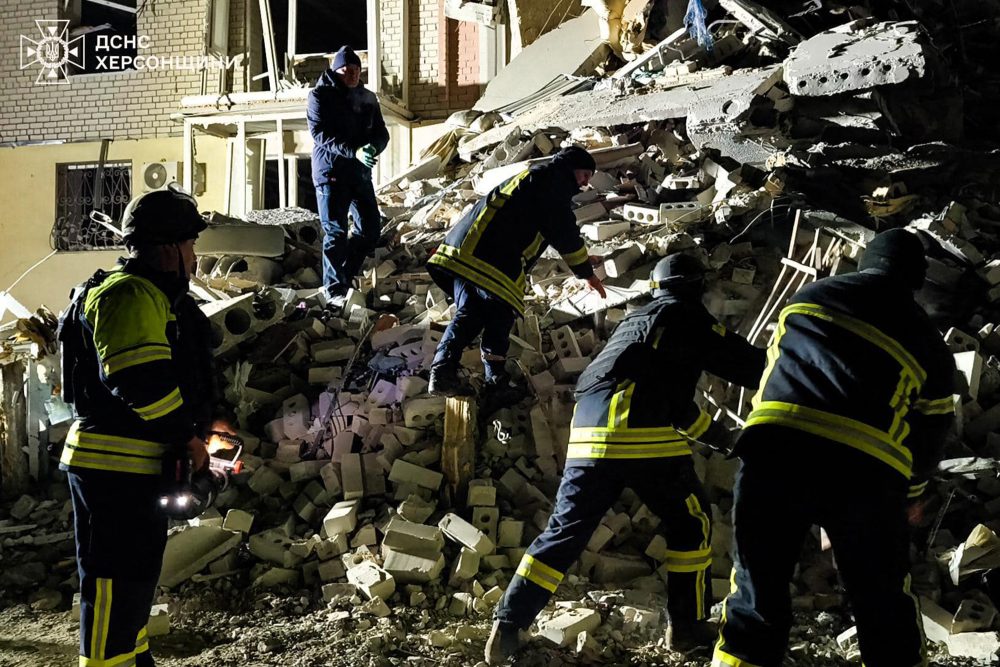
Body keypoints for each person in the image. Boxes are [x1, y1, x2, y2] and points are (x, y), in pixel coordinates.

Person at [486, 253, 766, 664]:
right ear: (695, 287)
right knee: (691, 523)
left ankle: (507, 627)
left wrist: (723, 438)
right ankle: (686, 629)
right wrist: (791, 357)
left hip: (586, 436)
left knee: (565, 532)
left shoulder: (635, 325)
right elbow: (748, 366)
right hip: (639, 432)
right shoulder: (686, 316)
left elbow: (671, 401)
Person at [712, 229, 956, 667]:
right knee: (881, 599)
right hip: (865, 473)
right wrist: (912, 497)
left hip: (774, 452)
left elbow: (771, 376)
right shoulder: (927, 340)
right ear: (916, 279)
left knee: (756, 589)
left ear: (866, 263)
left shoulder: (807, 297)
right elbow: (930, 434)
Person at [58, 186, 222, 667]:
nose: (195, 258)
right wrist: (187, 437)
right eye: (191, 245)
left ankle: (133, 658)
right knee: (113, 579)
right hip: (113, 467)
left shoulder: (151, 295)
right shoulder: (129, 294)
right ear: (170, 247)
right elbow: (138, 380)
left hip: (133, 466)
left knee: (134, 578)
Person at [426, 145, 606, 397]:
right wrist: (586, 272)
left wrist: (583, 258)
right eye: (585, 174)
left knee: (471, 314)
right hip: (492, 258)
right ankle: (495, 381)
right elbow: (563, 231)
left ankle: (443, 373)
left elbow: (534, 227)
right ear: (571, 167)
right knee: (500, 316)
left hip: (465, 251)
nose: (586, 183)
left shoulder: (534, 177)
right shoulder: (554, 183)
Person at [307, 45, 389, 299]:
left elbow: (381, 133)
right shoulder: (320, 96)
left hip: (358, 174)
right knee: (336, 231)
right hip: (331, 173)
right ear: (335, 71)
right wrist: (354, 151)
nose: (352, 74)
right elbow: (320, 134)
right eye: (346, 70)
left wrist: (374, 147)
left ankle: (345, 274)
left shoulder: (367, 98)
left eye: (356, 69)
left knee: (370, 230)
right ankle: (333, 290)